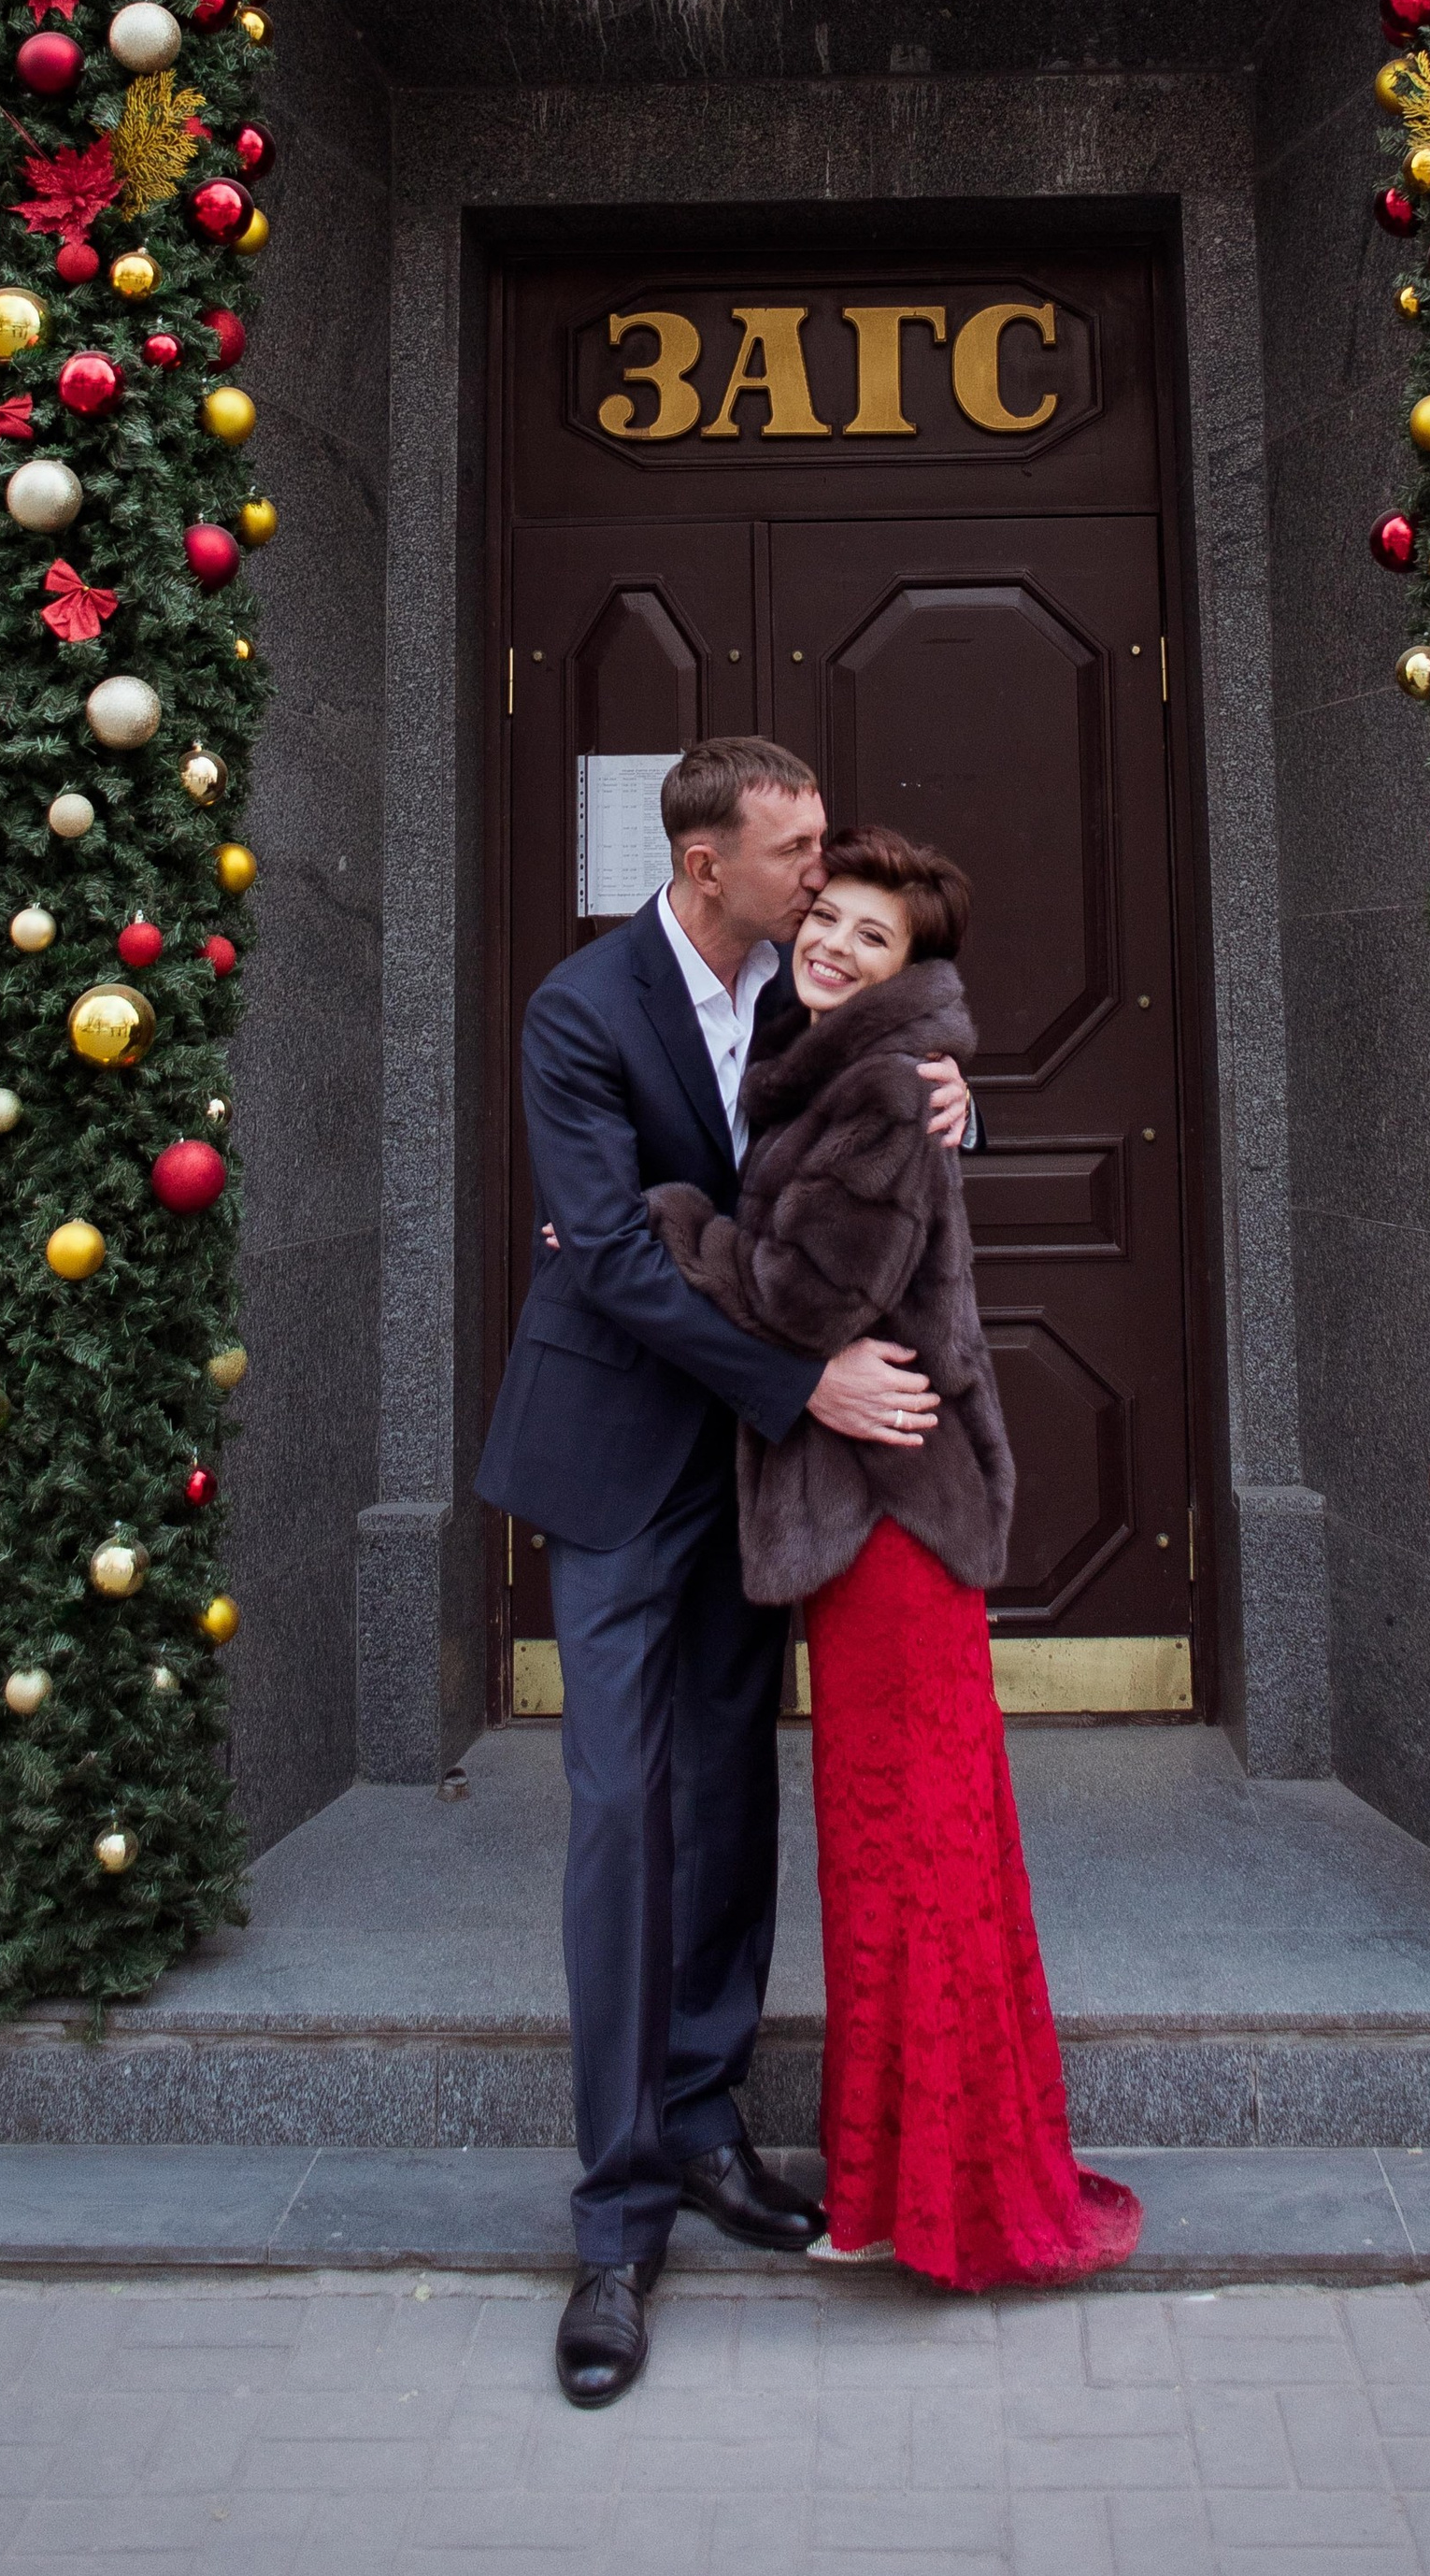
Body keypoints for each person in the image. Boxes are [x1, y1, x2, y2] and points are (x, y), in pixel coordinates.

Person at [478, 737, 975, 2410]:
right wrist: (801, 1378)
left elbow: (895, 1057)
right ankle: (613, 2227)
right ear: (708, 865)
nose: (821, 877)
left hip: (753, 1482)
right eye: (797, 851)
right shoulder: (578, 1009)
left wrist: (953, 1090)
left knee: (730, 1798)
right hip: (623, 1460)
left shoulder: (801, 987)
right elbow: (610, 1252)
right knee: (623, 1814)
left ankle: (702, 2130)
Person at [649, 826, 1144, 2291]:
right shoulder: (844, 1063)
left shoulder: (867, 1082)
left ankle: (949, 2206)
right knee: (919, 1857)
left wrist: (681, 1225)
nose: (839, 947)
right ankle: (924, 2184)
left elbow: (805, 1296)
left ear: (914, 973)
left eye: (877, 938)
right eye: (833, 919)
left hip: (888, 1517)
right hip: (882, 1513)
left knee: (911, 1860)